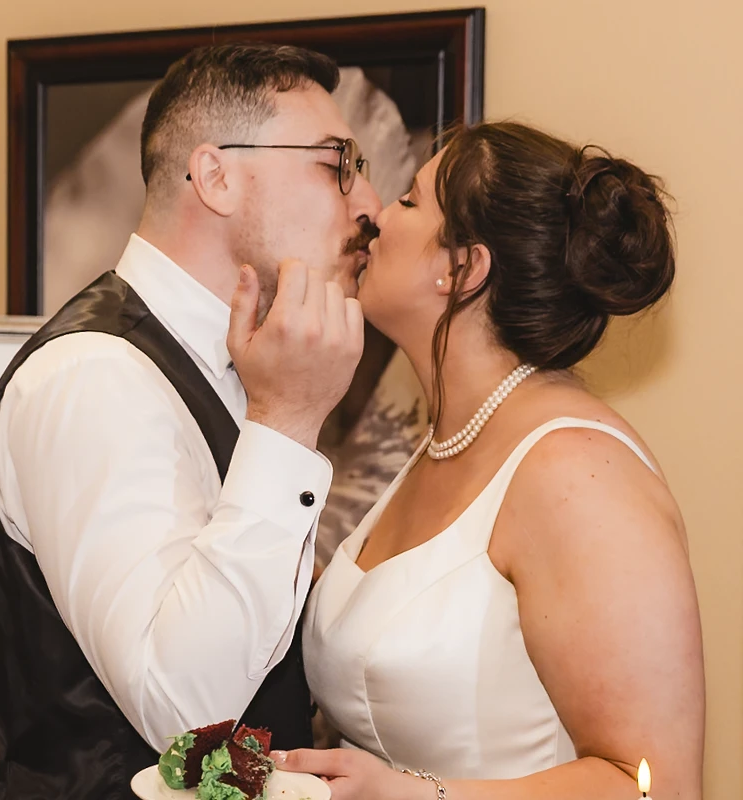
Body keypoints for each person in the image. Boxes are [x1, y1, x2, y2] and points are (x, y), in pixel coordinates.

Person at [0, 43, 380, 799]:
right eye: (335, 163)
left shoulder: (234, 367)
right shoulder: (94, 375)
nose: (368, 204)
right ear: (216, 176)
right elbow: (184, 714)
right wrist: (286, 423)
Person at [269, 122, 705, 799]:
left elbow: (656, 786)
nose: (378, 216)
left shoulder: (578, 475)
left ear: (464, 268)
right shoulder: (450, 437)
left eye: (410, 202)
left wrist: (413, 796)